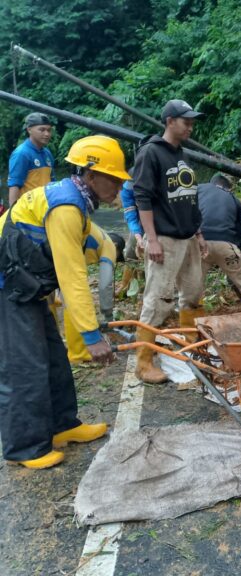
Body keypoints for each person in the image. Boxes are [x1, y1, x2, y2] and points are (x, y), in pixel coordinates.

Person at [0, 135, 130, 469]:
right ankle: (25, 446)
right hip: (8, 286)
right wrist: (91, 336)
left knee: (53, 356)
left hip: (24, 284)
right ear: (90, 175)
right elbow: (72, 276)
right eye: (113, 178)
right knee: (25, 364)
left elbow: (99, 240)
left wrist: (107, 251)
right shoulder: (67, 208)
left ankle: (63, 425)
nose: (118, 185)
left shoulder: (78, 201)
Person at [133, 99, 207, 383]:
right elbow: (143, 198)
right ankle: (143, 362)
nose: (190, 126)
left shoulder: (182, 155)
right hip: (165, 238)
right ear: (169, 121)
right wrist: (151, 239)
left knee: (192, 293)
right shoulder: (151, 153)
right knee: (158, 298)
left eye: (191, 121)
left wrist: (198, 234)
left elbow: (191, 197)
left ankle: (191, 347)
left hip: (187, 237)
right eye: (185, 121)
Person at [198, 173, 241, 310]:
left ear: (211, 182)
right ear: (229, 188)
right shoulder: (235, 200)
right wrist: (237, 254)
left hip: (198, 243)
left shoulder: (199, 188)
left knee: (192, 290)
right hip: (226, 244)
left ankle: (191, 328)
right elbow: (240, 233)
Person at [62, 223, 121, 363]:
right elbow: (105, 285)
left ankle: (50, 350)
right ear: (117, 246)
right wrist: (107, 315)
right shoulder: (109, 245)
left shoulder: (95, 235)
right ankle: (79, 354)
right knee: (73, 298)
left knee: (47, 301)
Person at [8, 113, 55, 206]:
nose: (47, 134)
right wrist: (12, 216)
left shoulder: (47, 153)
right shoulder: (21, 154)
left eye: (49, 130)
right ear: (29, 130)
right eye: (42, 130)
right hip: (28, 211)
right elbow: (14, 186)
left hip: (45, 208)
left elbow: (53, 183)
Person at [116, 170, 143, 296]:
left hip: (158, 218)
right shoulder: (127, 190)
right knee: (130, 253)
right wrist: (137, 235)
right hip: (140, 219)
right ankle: (127, 285)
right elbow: (130, 215)